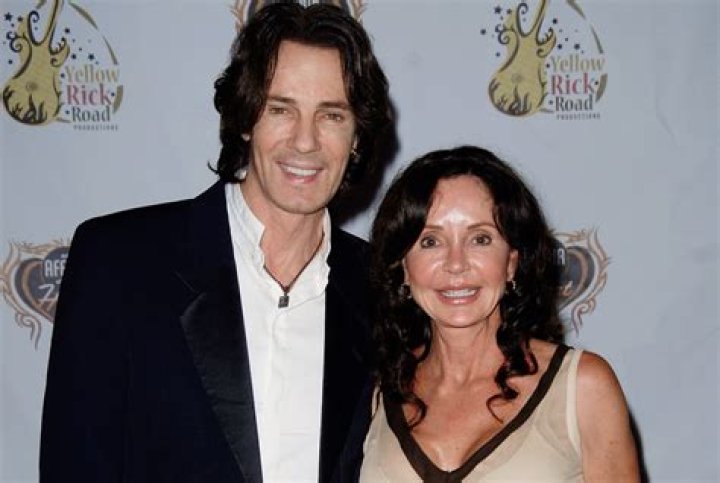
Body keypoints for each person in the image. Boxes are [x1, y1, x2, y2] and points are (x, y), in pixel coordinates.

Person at [39, 3, 392, 482]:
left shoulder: (381, 289)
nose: (305, 141)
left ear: (357, 137)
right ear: (245, 118)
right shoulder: (118, 264)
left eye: (331, 115)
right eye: (280, 109)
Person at [361, 146, 639, 481]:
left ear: (511, 262)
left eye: (480, 239)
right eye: (430, 241)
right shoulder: (380, 392)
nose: (456, 264)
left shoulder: (582, 386)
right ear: (403, 267)